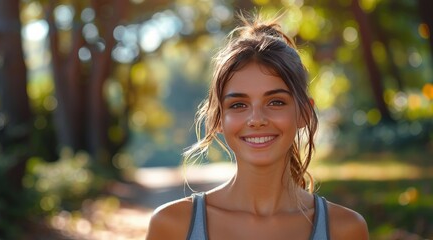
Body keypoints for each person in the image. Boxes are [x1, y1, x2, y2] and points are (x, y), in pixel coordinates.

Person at [146, 13, 368, 240]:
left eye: (275, 102)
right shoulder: (172, 225)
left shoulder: (345, 229)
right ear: (218, 118)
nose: (256, 119)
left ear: (304, 113)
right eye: (239, 104)